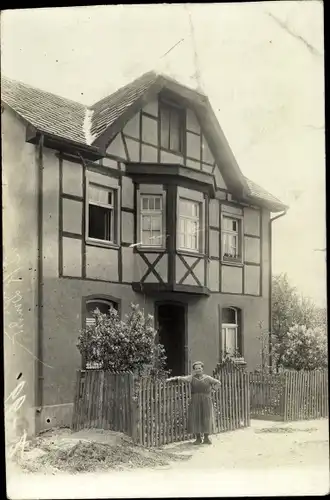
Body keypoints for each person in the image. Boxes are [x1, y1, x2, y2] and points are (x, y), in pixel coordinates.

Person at [166, 361, 221, 445]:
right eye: (196, 369)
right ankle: (198, 438)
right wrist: (171, 379)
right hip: (195, 400)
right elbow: (182, 379)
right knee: (195, 418)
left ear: (202, 368)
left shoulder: (208, 378)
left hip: (206, 400)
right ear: (194, 370)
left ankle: (206, 438)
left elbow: (218, 382)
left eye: (199, 368)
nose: (198, 370)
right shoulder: (192, 378)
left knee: (206, 417)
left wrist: (213, 389)